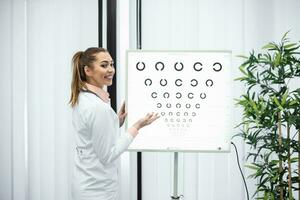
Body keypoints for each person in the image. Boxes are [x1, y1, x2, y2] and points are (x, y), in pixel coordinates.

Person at [69, 47, 159, 200]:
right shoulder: (98, 107)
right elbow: (108, 155)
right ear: (88, 70)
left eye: (111, 64)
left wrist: (116, 120)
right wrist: (136, 127)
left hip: (86, 184)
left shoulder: (83, 98)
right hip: (97, 191)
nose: (110, 69)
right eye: (104, 65)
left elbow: (92, 134)